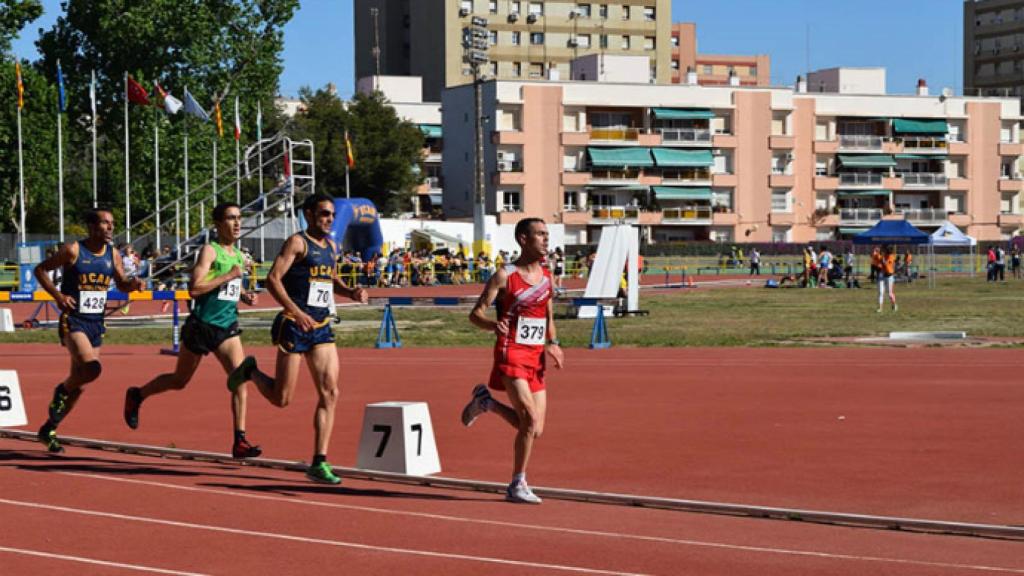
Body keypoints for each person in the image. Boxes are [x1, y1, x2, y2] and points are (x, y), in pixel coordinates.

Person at [238, 193, 369, 484]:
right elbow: (272, 279)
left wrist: (350, 293)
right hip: (294, 326)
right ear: (309, 215)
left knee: (331, 392)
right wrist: (295, 312)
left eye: (332, 215)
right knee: (281, 399)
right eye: (324, 214)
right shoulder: (298, 242)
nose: (329, 219)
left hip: (321, 326)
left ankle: (319, 461)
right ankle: (250, 372)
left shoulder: (332, 246)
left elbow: (329, 278)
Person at [123, 203, 271, 458]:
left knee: (240, 380)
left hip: (227, 327)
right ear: (218, 223)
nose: (237, 223)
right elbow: (195, 289)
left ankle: (240, 440)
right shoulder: (209, 252)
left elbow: (229, 286)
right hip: (202, 326)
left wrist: (244, 294)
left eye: (239, 218)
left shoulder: (237, 254)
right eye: (231, 218)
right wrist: (229, 276)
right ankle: (138, 394)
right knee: (179, 381)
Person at [460, 218, 564, 504]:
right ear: (523, 239)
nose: (546, 239)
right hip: (511, 352)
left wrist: (553, 344)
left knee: (535, 429)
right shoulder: (504, 276)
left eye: (547, 234)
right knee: (528, 419)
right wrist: (493, 326)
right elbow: (475, 314)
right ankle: (517, 483)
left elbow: (548, 316)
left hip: (535, 357)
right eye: (540, 235)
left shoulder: (546, 276)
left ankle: (487, 403)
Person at [33, 207, 144, 453]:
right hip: (74, 320)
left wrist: (133, 284)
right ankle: (60, 391)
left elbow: (122, 284)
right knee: (92, 369)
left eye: (112, 223)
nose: (110, 228)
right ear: (92, 227)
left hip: (96, 323)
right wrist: (58, 296)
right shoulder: (74, 250)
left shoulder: (112, 254)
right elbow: (40, 270)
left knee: (80, 384)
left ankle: (48, 429)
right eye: (105, 223)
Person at [877, 244, 897, 313]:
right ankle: (880, 308)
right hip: (882, 275)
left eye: (886, 250)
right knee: (881, 292)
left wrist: (883, 261)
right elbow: (878, 261)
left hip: (889, 276)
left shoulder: (891, 257)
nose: (885, 251)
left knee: (890, 294)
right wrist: (878, 255)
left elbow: (888, 268)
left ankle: (894, 305)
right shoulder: (884, 256)